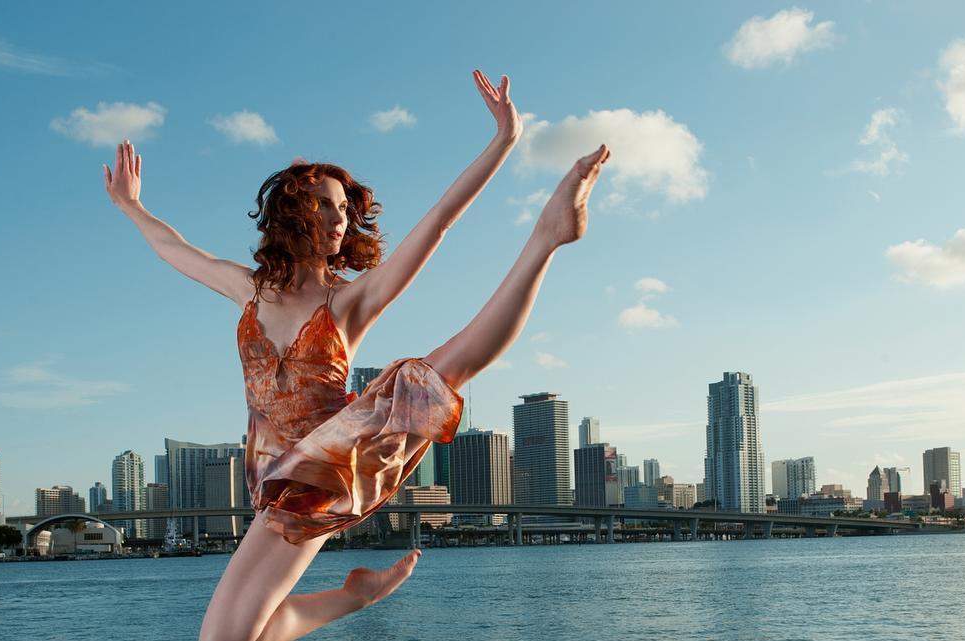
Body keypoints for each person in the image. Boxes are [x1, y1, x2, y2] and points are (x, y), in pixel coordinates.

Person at [103, 70, 610, 641]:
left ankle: (546, 234)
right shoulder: (247, 289)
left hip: (324, 465)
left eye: (344, 208)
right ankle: (354, 595)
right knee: (245, 633)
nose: (338, 217)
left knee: (439, 371)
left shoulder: (350, 300)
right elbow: (174, 247)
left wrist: (504, 140)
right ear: (291, 212)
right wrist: (130, 207)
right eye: (324, 203)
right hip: (272, 477)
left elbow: (438, 222)